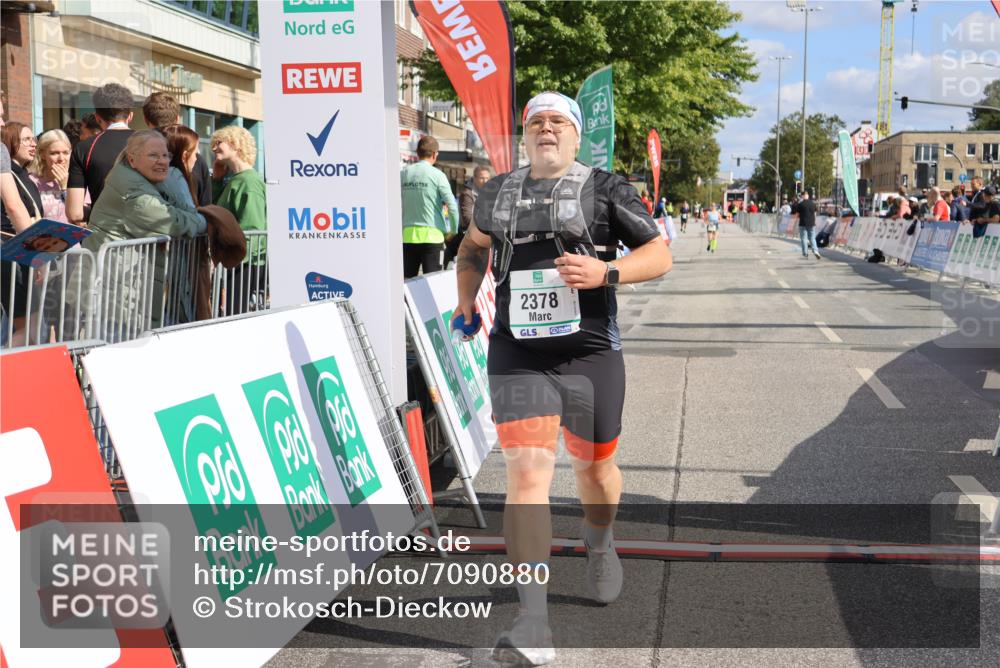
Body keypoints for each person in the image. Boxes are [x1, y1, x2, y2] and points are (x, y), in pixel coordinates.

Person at [453, 91, 670, 665]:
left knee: (595, 468)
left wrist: (607, 271)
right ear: (525, 136)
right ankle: (533, 622)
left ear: (575, 136)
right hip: (518, 353)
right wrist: (467, 301)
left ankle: (600, 546)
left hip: (590, 352)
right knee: (526, 473)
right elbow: (472, 249)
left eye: (558, 122)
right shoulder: (497, 191)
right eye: (536, 122)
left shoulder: (606, 188)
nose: (546, 129)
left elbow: (660, 253)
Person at [82, 130, 207, 335]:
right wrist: (204, 221)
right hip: (116, 295)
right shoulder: (132, 188)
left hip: (126, 290)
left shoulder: (134, 178)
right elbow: (171, 221)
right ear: (132, 159)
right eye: (153, 155)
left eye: (166, 155)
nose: (163, 161)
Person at [211, 125, 267, 314]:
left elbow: (252, 227)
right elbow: (218, 210)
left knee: (235, 314)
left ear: (236, 145)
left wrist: (231, 258)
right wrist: (217, 180)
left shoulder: (248, 182)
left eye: (219, 143)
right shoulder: (237, 180)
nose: (214, 148)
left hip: (244, 262)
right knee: (233, 312)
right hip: (240, 260)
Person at [67, 83, 136, 224]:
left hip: (104, 235)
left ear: (97, 118)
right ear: (130, 116)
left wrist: (96, 210)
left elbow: (74, 214)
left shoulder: (84, 148)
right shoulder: (153, 144)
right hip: (147, 237)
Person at [1, 121, 45, 346]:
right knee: (27, 327)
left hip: (12, 249)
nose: (1, 122)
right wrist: (36, 256)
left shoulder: (24, 174)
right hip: (12, 250)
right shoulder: (4, 160)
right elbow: (14, 207)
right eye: (26, 139)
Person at [400, 136, 458, 278]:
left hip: (407, 236)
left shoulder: (403, 174)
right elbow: (452, 206)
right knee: (433, 284)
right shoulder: (438, 175)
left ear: (417, 152)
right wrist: (453, 230)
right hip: (433, 237)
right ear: (434, 154)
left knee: (406, 284)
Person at [143, 92, 211, 206]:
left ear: (146, 120)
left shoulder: (135, 156)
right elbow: (206, 206)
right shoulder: (196, 159)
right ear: (177, 118)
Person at [445, 164, 491, 269]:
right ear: (474, 178)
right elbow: (467, 218)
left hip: (484, 236)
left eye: (488, 178)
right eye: (482, 178)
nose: (485, 181)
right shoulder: (467, 194)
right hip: (467, 237)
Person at [27, 129, 72, 222]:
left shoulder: (77, 179)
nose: (61, 158)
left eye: (65, 152)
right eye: (54, 153)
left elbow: (78, 217)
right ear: (43, 154)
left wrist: (65, 188)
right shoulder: (31, 181)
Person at [792, 191, 820, 259]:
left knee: (804, 239)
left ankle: (805, 253)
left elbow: (797, 214)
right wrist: (814, 221)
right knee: (812, 238)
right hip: (811, 223)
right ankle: (815, 250)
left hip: (803, 223)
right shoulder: (813, 204)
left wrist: (795, 222)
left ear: (802, 196)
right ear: (808, 195)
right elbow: (815, 213)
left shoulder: (800, 204)